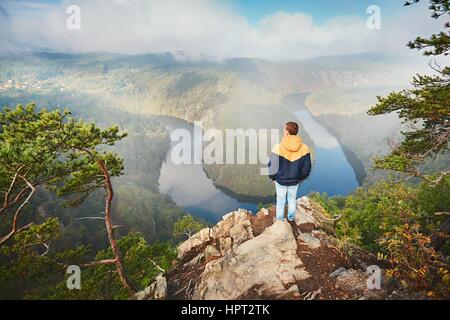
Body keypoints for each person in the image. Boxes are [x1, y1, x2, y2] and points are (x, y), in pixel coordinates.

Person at [268, 122, 312, 221]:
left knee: (280, 200)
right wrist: (300, 178)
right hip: (295, 181)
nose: (284, 131)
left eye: (284, 130)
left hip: (280, 180)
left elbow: (272, 166)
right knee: (292, 200)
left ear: (287, 132)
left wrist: (273, 178)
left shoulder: (278, 147)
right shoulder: (304, 148)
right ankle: (291, 218)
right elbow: (307, 168)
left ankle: (280, 220)